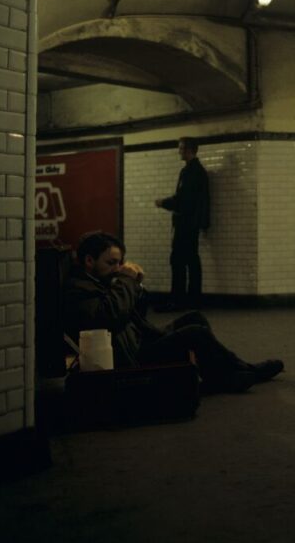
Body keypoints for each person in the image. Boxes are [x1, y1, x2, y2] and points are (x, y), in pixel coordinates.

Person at [64, 231, 283, 393]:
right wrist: (125, 281)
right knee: (195, 332)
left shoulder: (99, 281)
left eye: (120, 263)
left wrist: (135, 288)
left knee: (194, 317)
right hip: (133, 357)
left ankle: (225, 372)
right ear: (89, 261)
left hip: (139, 340)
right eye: (111, 262)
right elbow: (110, 316)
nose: (117, 268)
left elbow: (136, 314)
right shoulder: (78, 288)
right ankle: (235, 372)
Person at [155, 137, 210, 311]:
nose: (179, 151)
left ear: (189, 150)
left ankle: (177, 299)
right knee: (192, 260)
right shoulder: (198, 171)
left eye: (181, 148)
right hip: (193, 222)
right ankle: (193, 299)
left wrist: (163, 202)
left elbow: (183, 200)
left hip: (185, 222)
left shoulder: (190, 172)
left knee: (178, 260)